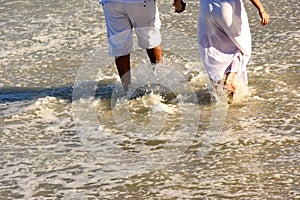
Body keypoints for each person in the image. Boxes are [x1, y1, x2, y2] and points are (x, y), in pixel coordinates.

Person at [196, 0, 269, 102]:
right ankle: (230, 78)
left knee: (211, 47)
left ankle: (218, 87)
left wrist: (178, 2)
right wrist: (261, 9)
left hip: (206, 9)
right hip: (227, 9)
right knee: (243, 47)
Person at [100, 0, 163, 92]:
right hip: (141, 3)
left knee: (120, 47)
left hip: (112, 3)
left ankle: (128, 91)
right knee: (151, 41)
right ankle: (160, 85)